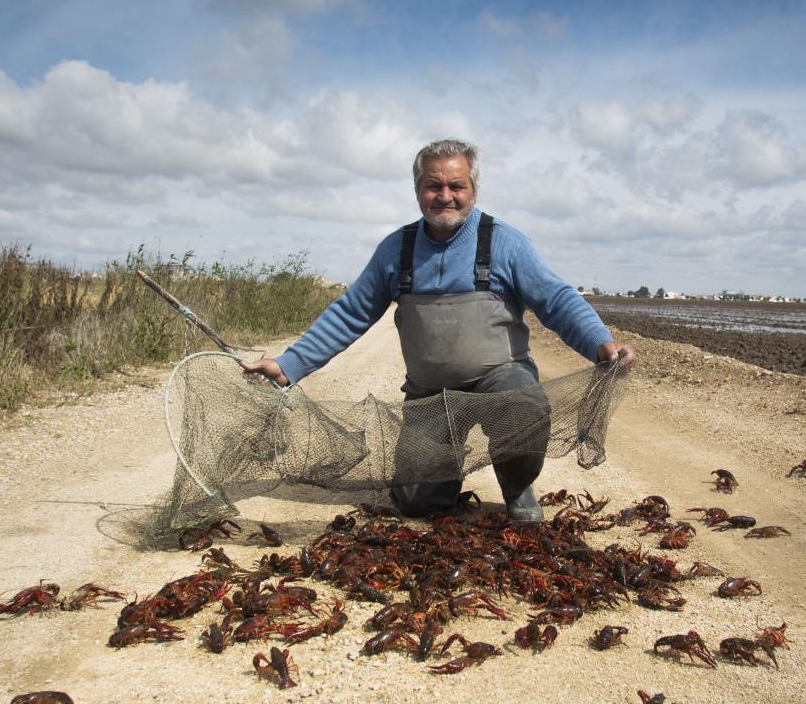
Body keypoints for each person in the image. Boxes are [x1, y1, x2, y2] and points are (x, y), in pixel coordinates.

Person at [242, 140, 632, 522]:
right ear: (417, 190)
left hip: (500, 380)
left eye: (456, 186)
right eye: (434, 185)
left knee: (522, 405)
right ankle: (443, 477)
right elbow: (350, 312)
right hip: (431, 395)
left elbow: (557, 300)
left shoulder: (506, 243)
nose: (445, 195)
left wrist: (600, 344)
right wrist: (289, 365)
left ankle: (517, 487)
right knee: (416, 504)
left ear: (473, 191)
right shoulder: (396, 248)